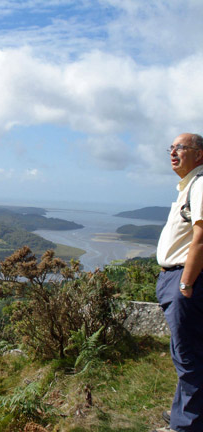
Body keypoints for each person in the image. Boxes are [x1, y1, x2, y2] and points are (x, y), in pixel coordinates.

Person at [156, 132, 203, 432]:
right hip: (178, 278)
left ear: (198, 155)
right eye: (171, 148)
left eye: (180, 148)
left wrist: (185, 283)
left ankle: (187, 425)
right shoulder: (189, 185)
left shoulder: (200, 185)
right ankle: (183, 414)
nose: (173, 153)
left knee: (188, 356)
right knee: (186, 351)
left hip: (186, 279)